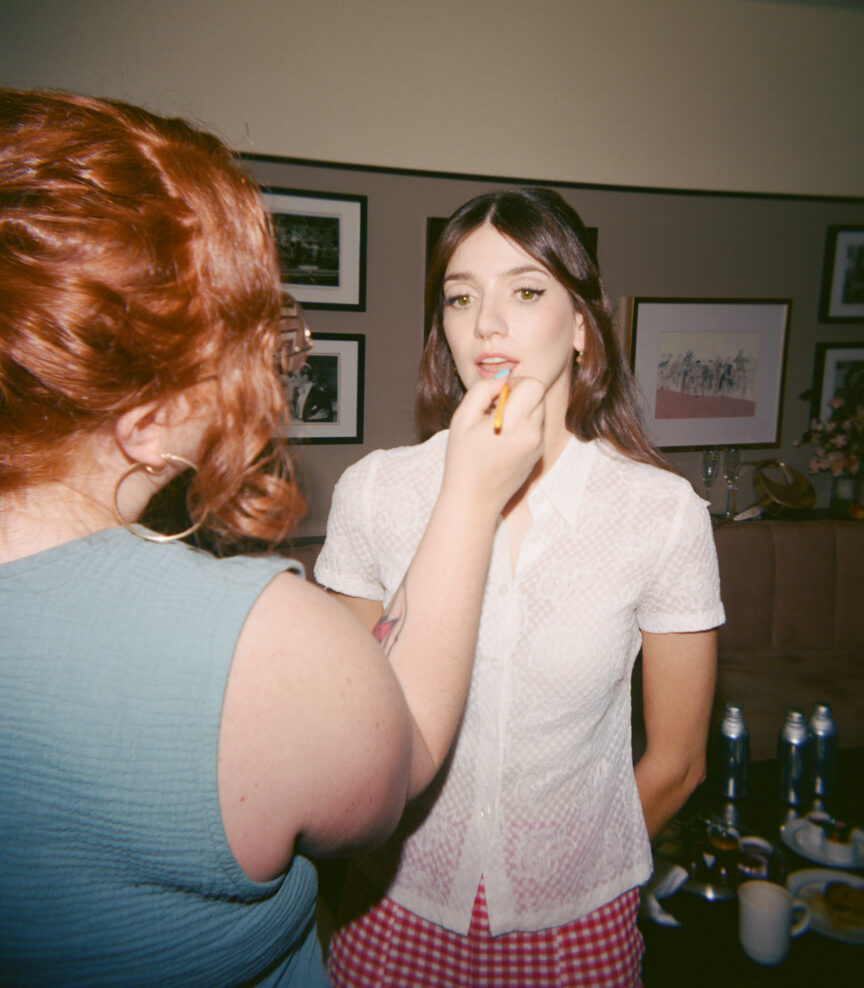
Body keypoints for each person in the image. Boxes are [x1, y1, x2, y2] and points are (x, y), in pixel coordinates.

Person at [0, 90, 545, 987]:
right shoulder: (262, 638)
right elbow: (400, 752)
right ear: (154, 412)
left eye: (525, 292)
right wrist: (473, 495)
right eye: (247, 336)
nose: (271, 370)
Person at [316, 187, 724, 987]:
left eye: (525, 291)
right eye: (460, 298)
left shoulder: (661, 515)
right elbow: (353, 734)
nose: (485, 324)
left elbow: (678, 762)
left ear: (582, 327)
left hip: (578, 930)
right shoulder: (374, 493)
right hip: (392, 908)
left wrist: (573, 884)